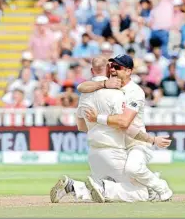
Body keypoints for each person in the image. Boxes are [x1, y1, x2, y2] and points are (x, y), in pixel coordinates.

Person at [50, 57, 172, 203]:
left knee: (132, 169)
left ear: (128, 71)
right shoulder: (110, 87)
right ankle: (76, 187)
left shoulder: (134, 91)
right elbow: (81, 87)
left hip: (136, 142)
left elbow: (124, 122)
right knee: (110, 190)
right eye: (112, 66)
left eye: (118, 67)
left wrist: (97, 118)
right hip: (118, 146)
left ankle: (161, 188)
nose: (113, 69)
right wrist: (103, 83)